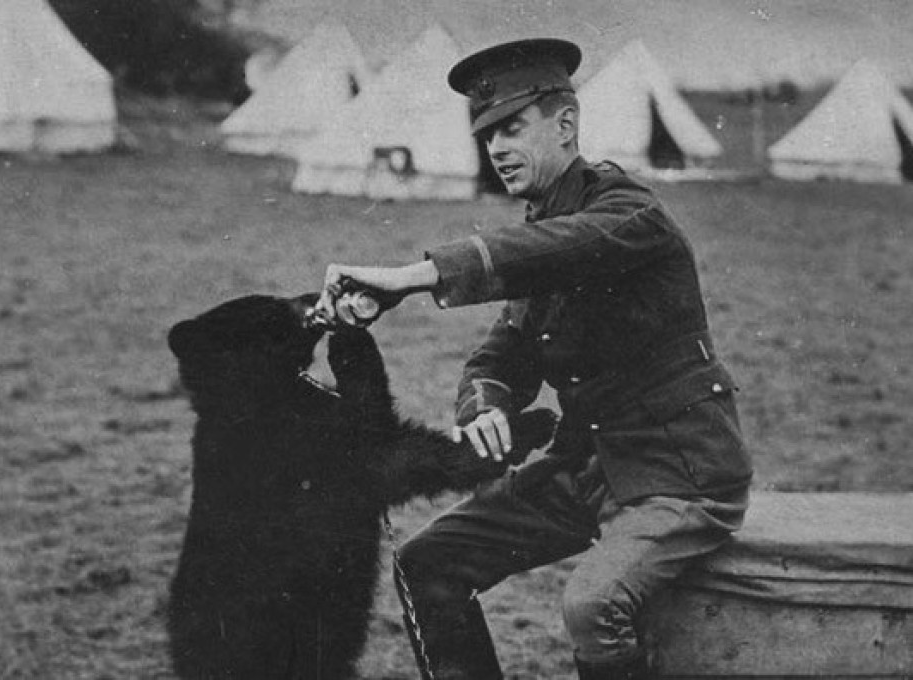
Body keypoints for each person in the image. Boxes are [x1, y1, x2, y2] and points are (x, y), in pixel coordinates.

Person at [317, 38, 752, 680]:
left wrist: (410, 277)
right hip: (589, 467)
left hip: (678, 476)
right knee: (427, 563)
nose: (495, 148)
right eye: (487, 133)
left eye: (513, 127)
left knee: (593, 605)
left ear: (566, 124)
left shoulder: (629, 215)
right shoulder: (543, 225)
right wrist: (486, 405)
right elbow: (501, 352)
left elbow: (556, 251)